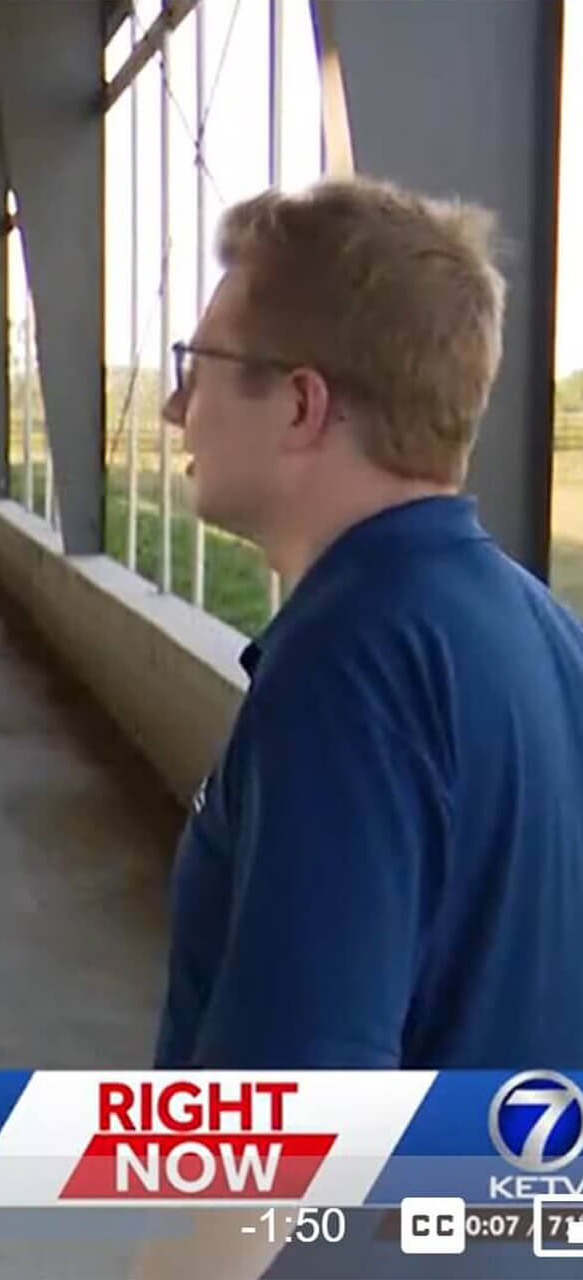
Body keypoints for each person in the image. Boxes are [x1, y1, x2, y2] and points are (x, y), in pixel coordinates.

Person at [134, 175, 583, 1278]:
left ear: (301, 404)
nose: (173, 409)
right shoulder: (538, 626)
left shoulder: (349, 664)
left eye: (200, 369)